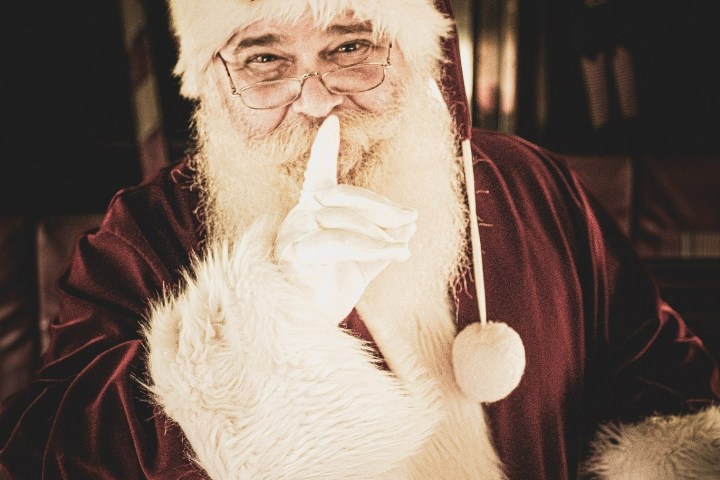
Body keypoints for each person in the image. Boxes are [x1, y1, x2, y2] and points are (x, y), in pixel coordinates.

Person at [1, 0, 718, 478]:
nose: (314, 101)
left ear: (416, 55)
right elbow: (49, 449)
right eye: (263, 60)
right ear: (214, 82)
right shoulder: (146, 233)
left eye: (349, 47)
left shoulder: (532, 184)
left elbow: (662, 382)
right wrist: (270, 319)